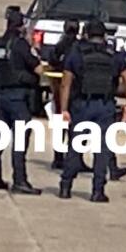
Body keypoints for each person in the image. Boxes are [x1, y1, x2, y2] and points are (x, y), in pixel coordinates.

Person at [58, 19, 126, 202]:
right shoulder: (114, 55)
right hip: (105, 106)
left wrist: (64, 109)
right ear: (105, 35)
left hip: (81, 105)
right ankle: (97, 191)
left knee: (75, 146)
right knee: (102, 150)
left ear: (85, 34)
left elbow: (65, 84)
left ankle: (66, 186)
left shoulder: (76, 54)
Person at [0, 6, 44, 195]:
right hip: (18, 98)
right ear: (21, 26)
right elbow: (38, 70)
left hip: (0, 97)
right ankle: (20, 181)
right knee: (19, 142)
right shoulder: (20, 45)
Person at [49, 20, 80, 170]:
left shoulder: (60, 45)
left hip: (60, 88)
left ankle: (59, 157)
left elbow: (51, 60)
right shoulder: (79, 46)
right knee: (76, 126)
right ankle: (74, 159)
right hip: (75, 90)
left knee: (60, 124)